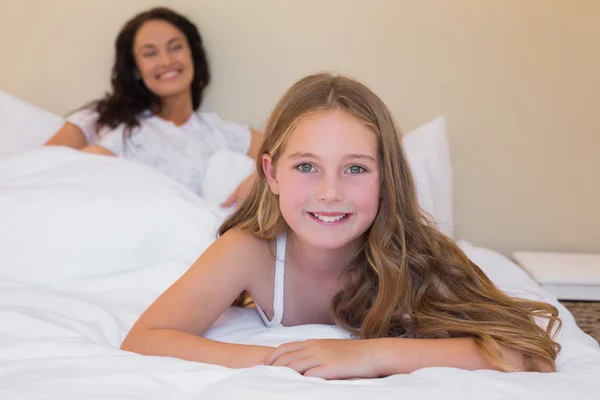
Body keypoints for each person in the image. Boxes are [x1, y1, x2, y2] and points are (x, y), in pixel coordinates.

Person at [120, 73, 561, 379]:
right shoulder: (248, 251)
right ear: (272, 175)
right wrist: (283, 361)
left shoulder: (415, 256)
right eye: (307, 166)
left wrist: (368, 354)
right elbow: (145, 338)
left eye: (355, 169)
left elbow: (530, 352)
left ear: (387, 176)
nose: (330, 192)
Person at [45, 7, 260, 206]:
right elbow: (38, 167)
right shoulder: (99, 119)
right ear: (136, 69)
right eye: (150, 53)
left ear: (193, 56)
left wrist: (261, 181)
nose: (166, 61)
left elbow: (283, 158)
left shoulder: (220, 133)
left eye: (175, 47)